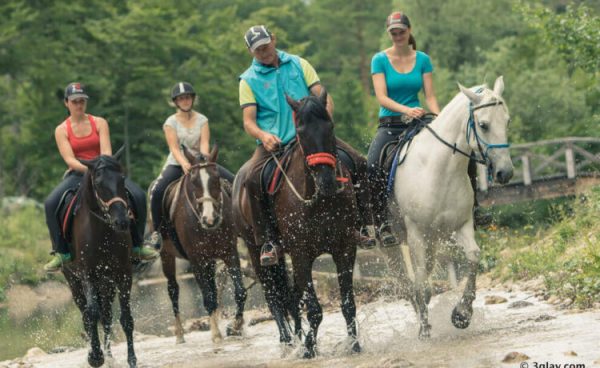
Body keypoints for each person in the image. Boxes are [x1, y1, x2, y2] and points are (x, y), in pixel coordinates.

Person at [238, 25, 375, 267]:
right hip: (275, 144)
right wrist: (263, 135)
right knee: (251, 179)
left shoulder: (300, 64)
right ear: (250, 52)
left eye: (266, 45)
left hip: (313, 137)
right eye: (258, 50)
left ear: (273, 39)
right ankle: (269, 240)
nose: (264, 52)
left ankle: (363, 225)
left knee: (358, 162)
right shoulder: (248, 80)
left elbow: (323, 95)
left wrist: (325, 123)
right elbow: (248, 121)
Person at [43, 82, 159, 272]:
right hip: (78, 173)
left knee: (137, 194)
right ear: (66, 103)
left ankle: (138, 246)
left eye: (82, 101)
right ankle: (61, 252)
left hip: (105, 172)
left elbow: (106, 152)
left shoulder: (100, 122)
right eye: (75, 102)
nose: (79, 105)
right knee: (50, 203)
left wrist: (99, 171)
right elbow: (70, 159)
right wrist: (90, 170)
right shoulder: (61, 130)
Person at [368, 11, 441, 247]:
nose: (398, 35)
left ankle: (474, 207)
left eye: (401, 31)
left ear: (409, 30)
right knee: (371, 164)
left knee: (455, 149)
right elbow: (381, 97)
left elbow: (429, 96)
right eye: (393, 32)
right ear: (389, 34)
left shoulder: (423, 59)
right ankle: (382, 224)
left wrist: (440, 118)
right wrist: (405, 110)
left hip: (420, 121)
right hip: (390, 124)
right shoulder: (379, 60)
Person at [148, 82, 235, 247]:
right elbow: (174, 147)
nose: (185, 101)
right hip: (177, 162)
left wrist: (203, 159)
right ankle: (157, 234)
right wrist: (184, 163)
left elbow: (204, 144)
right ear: (176, 102)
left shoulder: (202, 120)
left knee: (234, 180)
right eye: (181, 99)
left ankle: (241, 224)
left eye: (187, 97)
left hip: (201, 163)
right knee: (157, 190)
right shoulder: (170, 122)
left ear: (192, 99)